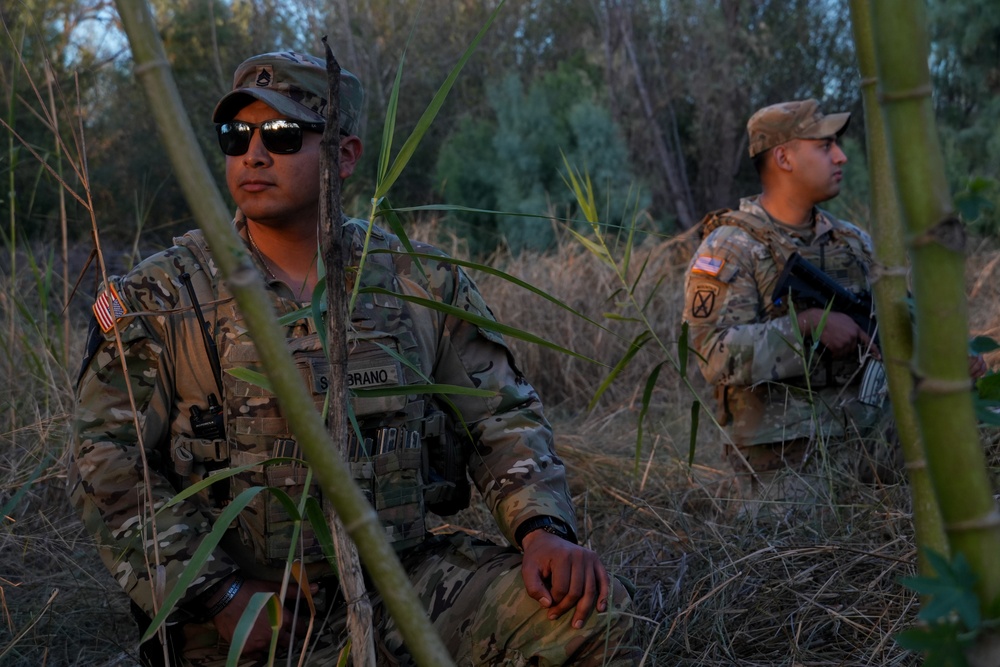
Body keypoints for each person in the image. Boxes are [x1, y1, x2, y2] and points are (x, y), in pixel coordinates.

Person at [68, 51, 635, 666]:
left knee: (589, 619)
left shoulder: (416, 280)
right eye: (237, 136)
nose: (253, 155)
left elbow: (503, 418)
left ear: (343, 156)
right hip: (244, 613)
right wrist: (214, 592)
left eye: (282, 136)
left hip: (403, 583)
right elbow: (105, 465)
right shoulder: (165, 297)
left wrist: (541, 531)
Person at [683, 98, 986, 503]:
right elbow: (711, 354)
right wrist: (806, 326)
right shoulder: (731, 247)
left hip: (871, 443)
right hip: (786, 464)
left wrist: (947, 356)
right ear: (784, 158)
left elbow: (896, 325)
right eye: (825, 146)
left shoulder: (853, 242)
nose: (840, 156)